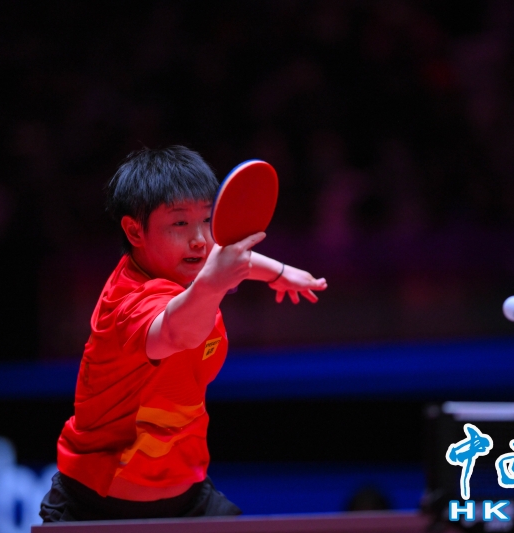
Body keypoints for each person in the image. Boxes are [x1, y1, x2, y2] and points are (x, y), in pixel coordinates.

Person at [40, 146, 327, 521]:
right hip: (95, 507)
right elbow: (177, 333)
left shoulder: (188, 269)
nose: (199, 239)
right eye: (179, 224)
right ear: (134, 230)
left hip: (187, 501)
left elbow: (225, 256)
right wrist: (214, 284)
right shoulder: (129, 304)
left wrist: (279, 272)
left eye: (206, 220)